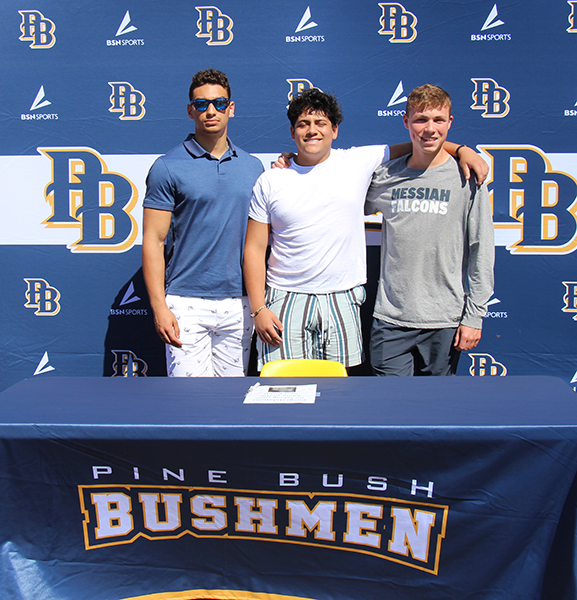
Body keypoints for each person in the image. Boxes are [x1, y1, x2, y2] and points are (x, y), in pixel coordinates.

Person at [243, 87, 488, 370]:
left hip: (343, 298)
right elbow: (255, 248)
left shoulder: (358, 162)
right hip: (284, 298)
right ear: (292, 132)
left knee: (339, 393)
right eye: (303, 124)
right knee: (286, 388)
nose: (312, 131)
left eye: (321, 123)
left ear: (335, 130)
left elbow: (419, 142)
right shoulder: (272, 179)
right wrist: (258, 308)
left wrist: (461, 149)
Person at [365, 84, 494, 376]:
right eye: (421, 119)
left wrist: (474, 316)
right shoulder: (385, 177)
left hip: (444, 320)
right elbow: (337, 197)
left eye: (438, 120)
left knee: (434, 413)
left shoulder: (467, 178)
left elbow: (481, 250)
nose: (430, 128)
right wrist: (292, 161)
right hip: (391, 318)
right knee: (390, 412)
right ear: (406, 122)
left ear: (450, 122)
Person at [142, 69, 264, 377]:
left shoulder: (254, 167)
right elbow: (154, 240)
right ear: (190, 110)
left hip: (240, 303)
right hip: (185, 303)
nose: (211, 111)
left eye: (219, 103)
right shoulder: (167, 167)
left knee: (230, 404)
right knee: (189, 405)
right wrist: (159, 306)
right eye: (201, 104)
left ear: (231, 108)